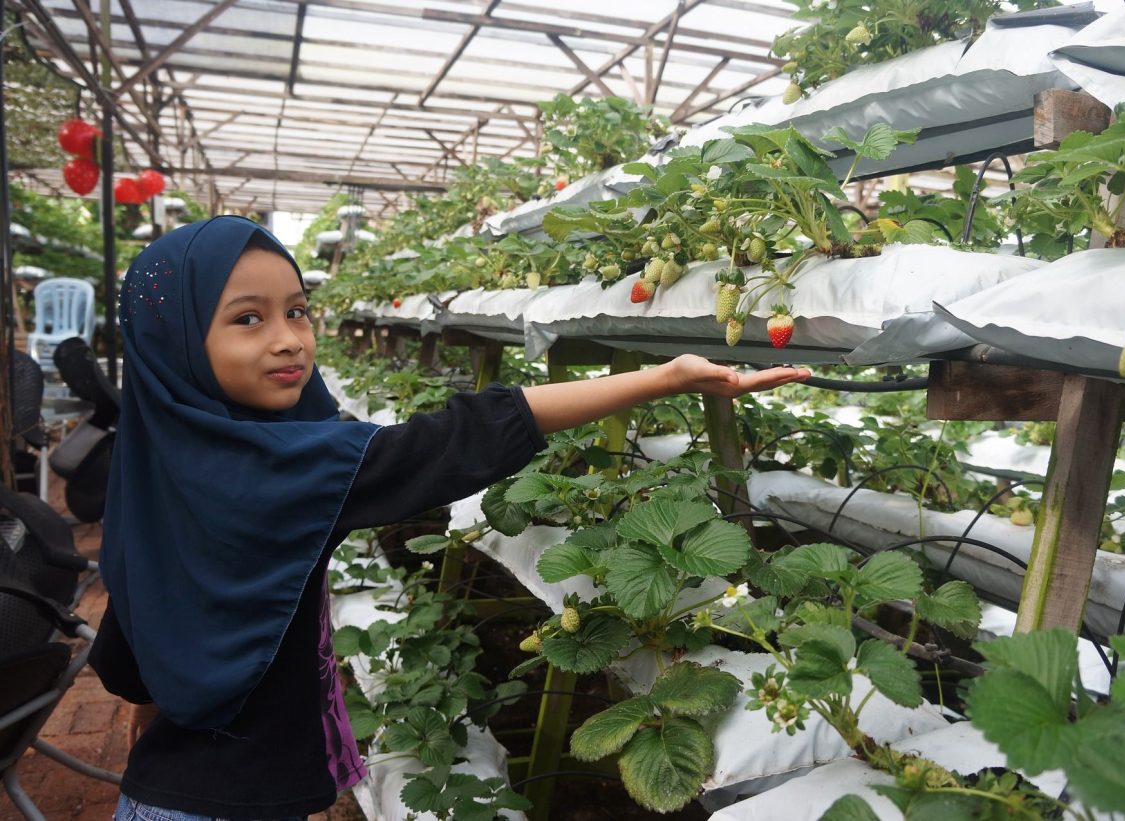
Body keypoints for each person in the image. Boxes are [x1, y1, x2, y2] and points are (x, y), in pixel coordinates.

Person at [89, 215, 809, 821]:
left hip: (165, 786)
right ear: (177, 340)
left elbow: (129, 664)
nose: (288, 339)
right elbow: (451, 440)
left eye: (297, 309)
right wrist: (665, 376)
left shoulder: (154, 464)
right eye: (248, 318)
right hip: (231, 802)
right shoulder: (287, 471)